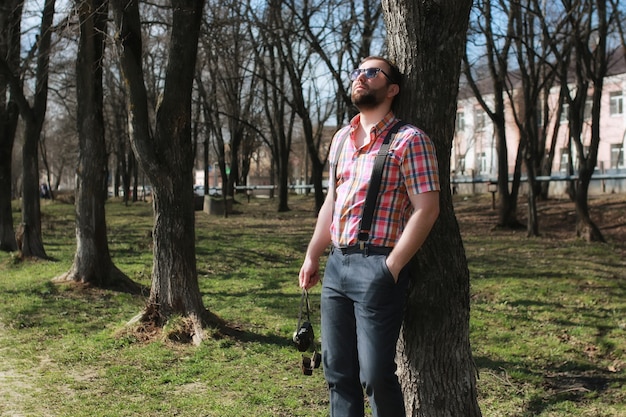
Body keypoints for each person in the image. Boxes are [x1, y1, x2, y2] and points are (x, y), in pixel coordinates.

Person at [298, 56, 441, 417]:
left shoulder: (410, 140)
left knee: (375, 374)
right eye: (358, 71)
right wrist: (313, 254)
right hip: (337, 265)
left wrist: (391, 267)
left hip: (378, 266)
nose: (361, 77)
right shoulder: (342, 138)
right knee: (336, 372)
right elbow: (332, 200)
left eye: (372, 72)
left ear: (392, 89)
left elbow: (427, 209)